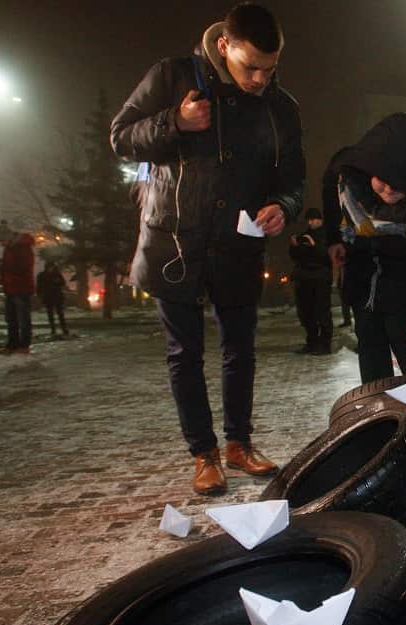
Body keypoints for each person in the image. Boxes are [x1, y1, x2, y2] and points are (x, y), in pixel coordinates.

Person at [111, 2, 305, 495]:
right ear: (224, 46)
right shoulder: (173, 77)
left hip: (238, 244)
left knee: (241, 349)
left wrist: (283, 205)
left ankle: (239, 444)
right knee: (185, 352)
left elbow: (293, 178)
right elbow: (120, 137)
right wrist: (174, 122)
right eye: (250, 67)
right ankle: (204, 453)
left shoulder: (282, 108)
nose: (261, 78)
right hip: (174, 241)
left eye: (270, 68)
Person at [322, 112, 406, 383]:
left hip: (405, 294)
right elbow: (328, 193)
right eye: (382, 181)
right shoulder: (347, 182)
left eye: (399, 187)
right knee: (373, 373)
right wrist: (333, 239)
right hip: (361, 286)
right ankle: (378, 421)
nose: (388, 191)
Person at [288, 208, 332, 354]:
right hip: (303, 278)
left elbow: (325, 256)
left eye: (314, 219)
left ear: (321, 220)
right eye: (309, 219)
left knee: (322, 311)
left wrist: (314, 246)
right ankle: (312, 342)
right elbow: (295, 256)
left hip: (320, 278)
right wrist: (294, 246)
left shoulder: (327, 236)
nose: (311, 222)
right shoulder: (304, 236)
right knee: (306, 312)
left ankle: (325, 344)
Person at [1, 230, 36, 354]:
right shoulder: (10, 249)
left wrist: (4, 268)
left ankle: (23, 344)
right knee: (11, 319)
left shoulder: (23, 249)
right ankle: (13, 344)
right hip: (11, 288)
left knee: (23, 318)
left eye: (2, 241)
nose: (1, 244)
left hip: (21, 288)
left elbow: (22, 267)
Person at [36, 260, 70, 338]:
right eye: (49, 267)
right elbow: (39, 286)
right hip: (48, 296)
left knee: (60, 313)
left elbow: (62, 282)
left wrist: (57, 282)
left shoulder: (56, 274)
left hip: (56, 296)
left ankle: (64, 328)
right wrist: (39, 294)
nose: (50, 268)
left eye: (52, 267)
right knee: (50, 314)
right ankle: (53, 329)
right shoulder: (42, 275)